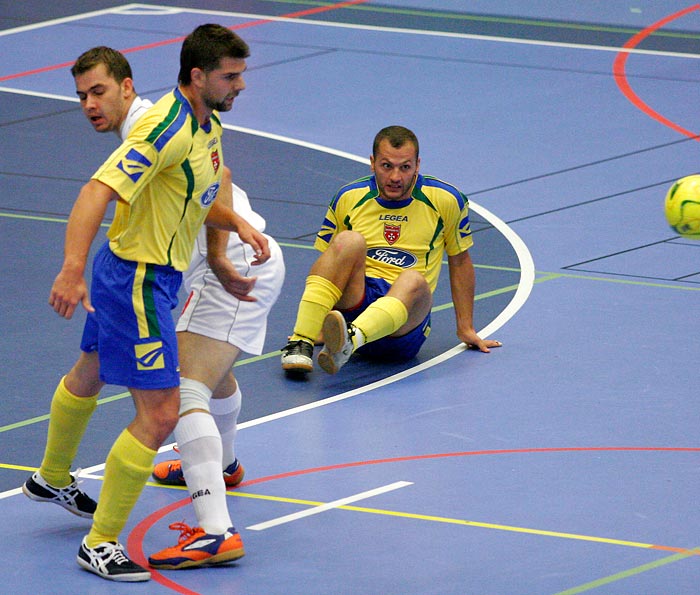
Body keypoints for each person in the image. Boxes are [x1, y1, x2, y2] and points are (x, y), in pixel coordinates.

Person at [22, 25, 268, 582]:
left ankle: (52, 475)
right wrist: (69, 269)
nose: (241, 85)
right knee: (159, 414)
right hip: (137, 280)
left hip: (134, 270)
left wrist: (233, 232)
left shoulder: (209, 125)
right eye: (232, 76)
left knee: (89, 371)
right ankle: (101, 542)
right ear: (199, 76)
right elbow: (95, 192)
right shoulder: (165, 129)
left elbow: (198, 195)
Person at [281, 125, 501, 375]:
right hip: (356, 303)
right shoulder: (349, 197)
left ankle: (349, 342)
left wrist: (465, 328)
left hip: (404, 327)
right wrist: (319, 326)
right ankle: (300, 342)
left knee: (413, 279)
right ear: (372, 163)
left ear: (417, 165)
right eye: (387, 166)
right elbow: (331, 265)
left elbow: (460, 261)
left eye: (405, 167)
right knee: (347, 241)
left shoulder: (446, 200)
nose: (395, 177)